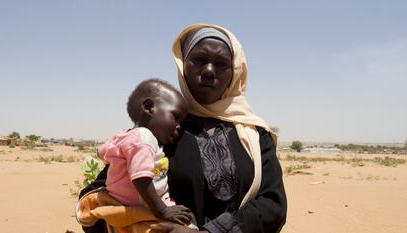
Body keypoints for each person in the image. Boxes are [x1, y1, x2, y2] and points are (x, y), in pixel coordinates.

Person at [79, 23, 287, 233]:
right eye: (198, 60)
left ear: (234, 72)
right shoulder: (162, 129)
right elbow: (99, 195)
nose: (208, 70)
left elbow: (273, 203)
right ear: (182, 65)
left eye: (222, 63)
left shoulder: (254, 133)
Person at [95, 79, 192, 227]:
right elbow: (141, 178)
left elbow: (102, 152)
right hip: (145, 210)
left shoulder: (122, 135)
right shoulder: (144, 138)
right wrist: (163, 211)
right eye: (175, 117)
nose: (179, 127)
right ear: (149, 107)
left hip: (123, 207)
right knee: (189, 222)